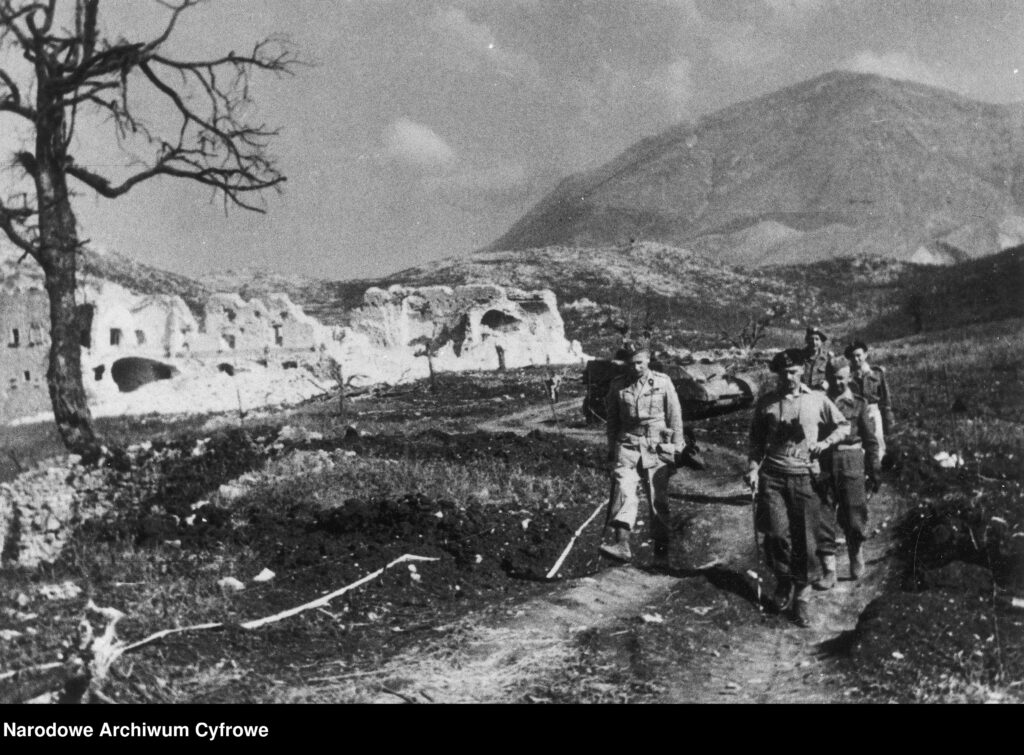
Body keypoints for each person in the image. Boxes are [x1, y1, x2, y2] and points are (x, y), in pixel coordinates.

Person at [744, 348, 849, 627]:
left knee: (805, 539)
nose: (789, 377)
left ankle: (802, 597)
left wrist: (824, 444)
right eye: (784, 372)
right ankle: (782, 581)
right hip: (773, 477)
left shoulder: (816, 400)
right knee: (777, 534)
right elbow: (755, 440)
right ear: (777, 373)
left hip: (805, 476)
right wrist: (753, 469)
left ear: (802, 370)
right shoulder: (767, 402)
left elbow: (843, 425)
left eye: (794, 371)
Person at [599, 347, 685, 569]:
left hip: (656, 447)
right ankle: (622, 545)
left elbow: (675, 417)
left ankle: (661, 555)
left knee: (658, 501)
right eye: (631, 364)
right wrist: (611, 451)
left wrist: (676, 449)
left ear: (648, 360)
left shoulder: (663, 382)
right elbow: (612, 422)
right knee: (624, 491)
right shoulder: (617, 385)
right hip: (627, 446)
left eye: (640, 362)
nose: (636, 368)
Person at [815, 364, 881, 587]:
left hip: (851, 460)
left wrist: (874, 469)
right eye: (833, 378)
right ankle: (829, 571)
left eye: (842, 378)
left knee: (854, 514)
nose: (837, 383)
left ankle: (856, 555)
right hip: (824, 461)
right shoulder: (820, 402)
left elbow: (870, 440)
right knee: (823, 514)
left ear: (850, 377)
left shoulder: (859, 404)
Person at [844, 340, 895, 462]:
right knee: (859, 440)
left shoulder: (876, 373)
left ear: (865, 355)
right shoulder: (847, 376)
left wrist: (889, 420)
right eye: (853, 356)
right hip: (855, 412)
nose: (856, 359)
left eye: (858, 355)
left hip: (872, 410)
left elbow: (885, 399)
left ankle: (877, 469)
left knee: (877, 440)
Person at [802, 326, 835, 392]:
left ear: (821, 341)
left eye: (817, 339)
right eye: (811, 339)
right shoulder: (800, 355)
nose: (814, 342)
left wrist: (827, 384)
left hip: (821, 392)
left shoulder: (828, 357)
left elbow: (833, 377)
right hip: (803, 392)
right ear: (807, 340)